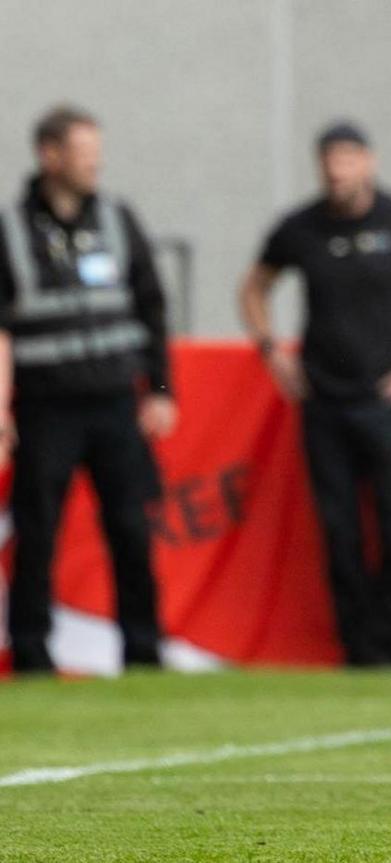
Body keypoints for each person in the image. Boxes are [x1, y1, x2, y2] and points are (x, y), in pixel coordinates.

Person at [238, 122, 391, 667]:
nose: (337, 171)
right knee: (339, 533)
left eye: (347, 160)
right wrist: (271, 350)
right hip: (325, 401)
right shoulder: (301, 227)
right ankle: (360, 651)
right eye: (328, 161)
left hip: (390, 400)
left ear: (367, 163)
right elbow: (255, 286)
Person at [0, 106, 176, 675]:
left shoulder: (118, 220)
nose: (94, 164)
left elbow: (152, 306)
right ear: (50, 155)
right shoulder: (10, 229)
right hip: (47, 405)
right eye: (83, 153)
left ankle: (143, 651)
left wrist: (162, 388)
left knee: (130, 526)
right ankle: (31, 651)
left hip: (115, 402)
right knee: (39, 532)